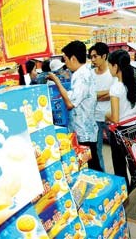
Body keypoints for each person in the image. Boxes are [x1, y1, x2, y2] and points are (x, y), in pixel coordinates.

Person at [47, 40, 102, 172]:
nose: (65, 63)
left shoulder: (81, 75)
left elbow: (70, 103)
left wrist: (57, 81)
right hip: (85, 128)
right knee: (91, 164)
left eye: (65, 59)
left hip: (84, 131)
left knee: (91, 166)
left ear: (73, 58)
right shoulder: (85, 71)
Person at [105, 49, 136, 191]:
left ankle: (123, 189)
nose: (109, 69)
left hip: (119, 132)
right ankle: (134, 184)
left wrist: (104, 115)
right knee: (133, 159)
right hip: (135, 129)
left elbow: (115, 118)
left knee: (119, 163)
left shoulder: (115, 88)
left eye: (110, 66)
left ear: (116, 66)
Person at [89, 42, 114, 172]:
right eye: (91, 57)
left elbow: (115, 93)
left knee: (116, 150)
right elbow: (90, 95)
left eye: (95, 56)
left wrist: (96, 95)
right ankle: (103, 175)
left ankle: (121, 178)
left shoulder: (112, 72)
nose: (93, 60)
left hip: (111, 117)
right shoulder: (91, 74)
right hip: (95, 117)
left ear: (104, 56)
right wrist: (108, 92)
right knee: (97, 150)